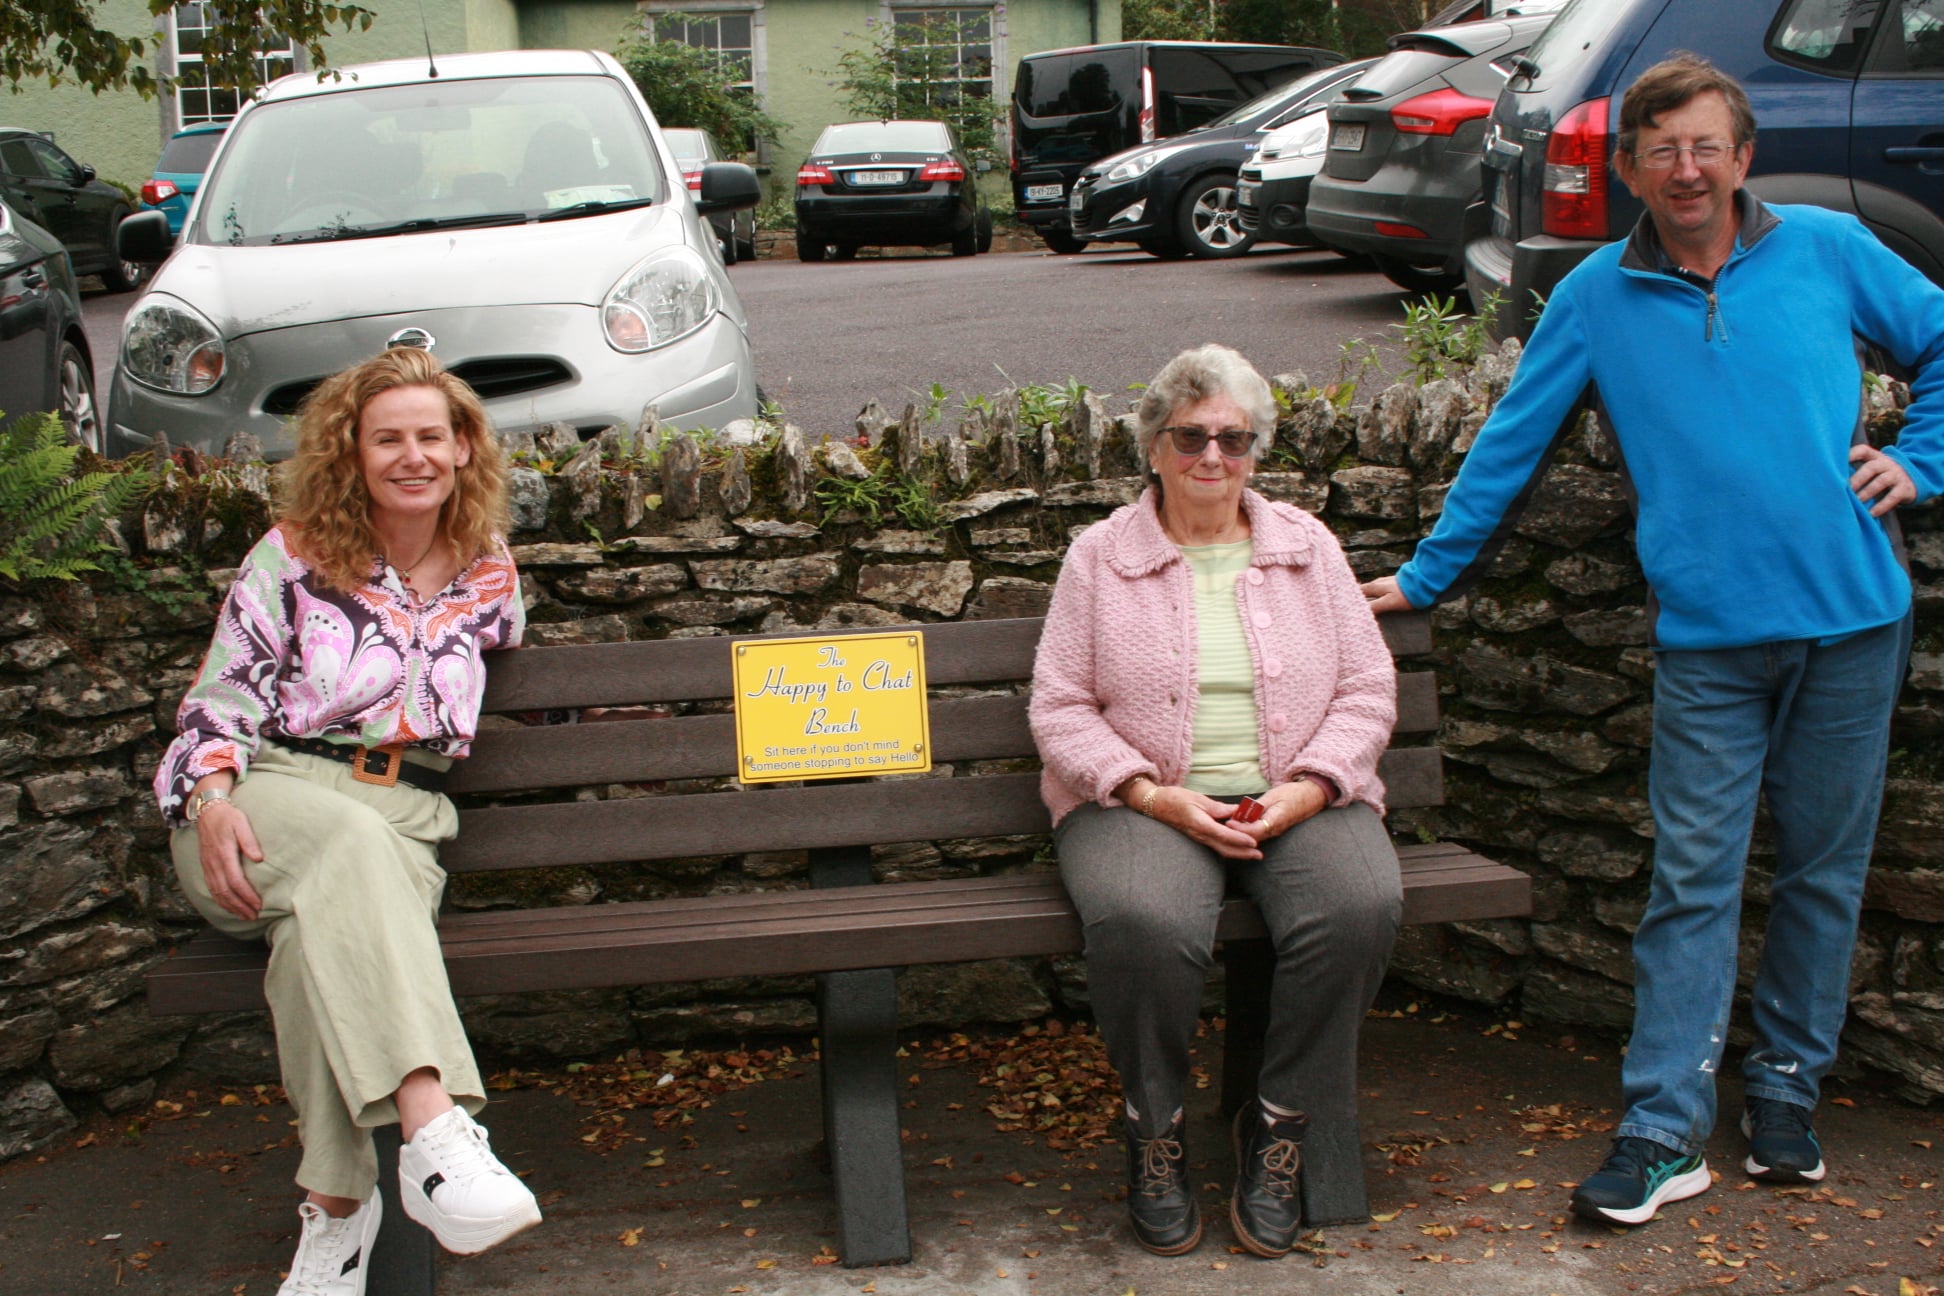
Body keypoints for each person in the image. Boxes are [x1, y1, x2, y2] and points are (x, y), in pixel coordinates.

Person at [1363, 55, 1943, 1227]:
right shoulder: (1592, 296)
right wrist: (1425, 576)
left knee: (1826, 877)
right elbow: (1511, 444)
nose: (1687, 169)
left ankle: (1785, 1092)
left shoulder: (1826, 250)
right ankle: (1663, 1125)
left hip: (1855, 625)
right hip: (1710, 647)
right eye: (1662, 149)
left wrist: (1920, 461)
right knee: (1692, 883)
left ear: (1744, 156)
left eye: (1707, 146)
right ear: (1627, 168)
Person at [153, 348, 539, 1295]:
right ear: (351, 453)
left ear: (462, 451)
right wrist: (209, 803)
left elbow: (500, 670)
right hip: (266, 801)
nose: (413, 456)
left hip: (404, 812)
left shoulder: (490, 572)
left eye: (431, 437)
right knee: (345, 853)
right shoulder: (291, 555)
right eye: (388, 439)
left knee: (312, 949)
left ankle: (337, 1215)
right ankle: (437, 1132)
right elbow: (221, 699)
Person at [1030, 344, 1402, 1258]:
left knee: (1360, 905)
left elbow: (1366, 688)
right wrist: (1150, 794)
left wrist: (1310, 787)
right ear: (1154, 446)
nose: (1212, 458)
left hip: (1298, 792)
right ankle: (1153, 1130)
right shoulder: (1100, 558)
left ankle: (1278, 1127)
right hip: (1140, 800)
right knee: (1144, 920)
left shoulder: (1307, 547)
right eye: (1191, 435)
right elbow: (1060, 705)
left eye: (1234, 440)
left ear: (1255, 451)